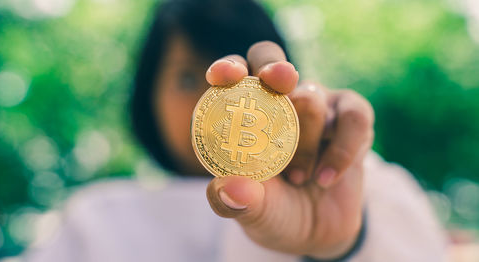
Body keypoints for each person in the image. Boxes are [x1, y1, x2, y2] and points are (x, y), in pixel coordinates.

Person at [24, 0, 447, 261]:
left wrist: (344, 248)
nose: (218, 96)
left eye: (251, 89)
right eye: (187, 79)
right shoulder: (96, 217)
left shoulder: (358, 188)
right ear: (146, 95)